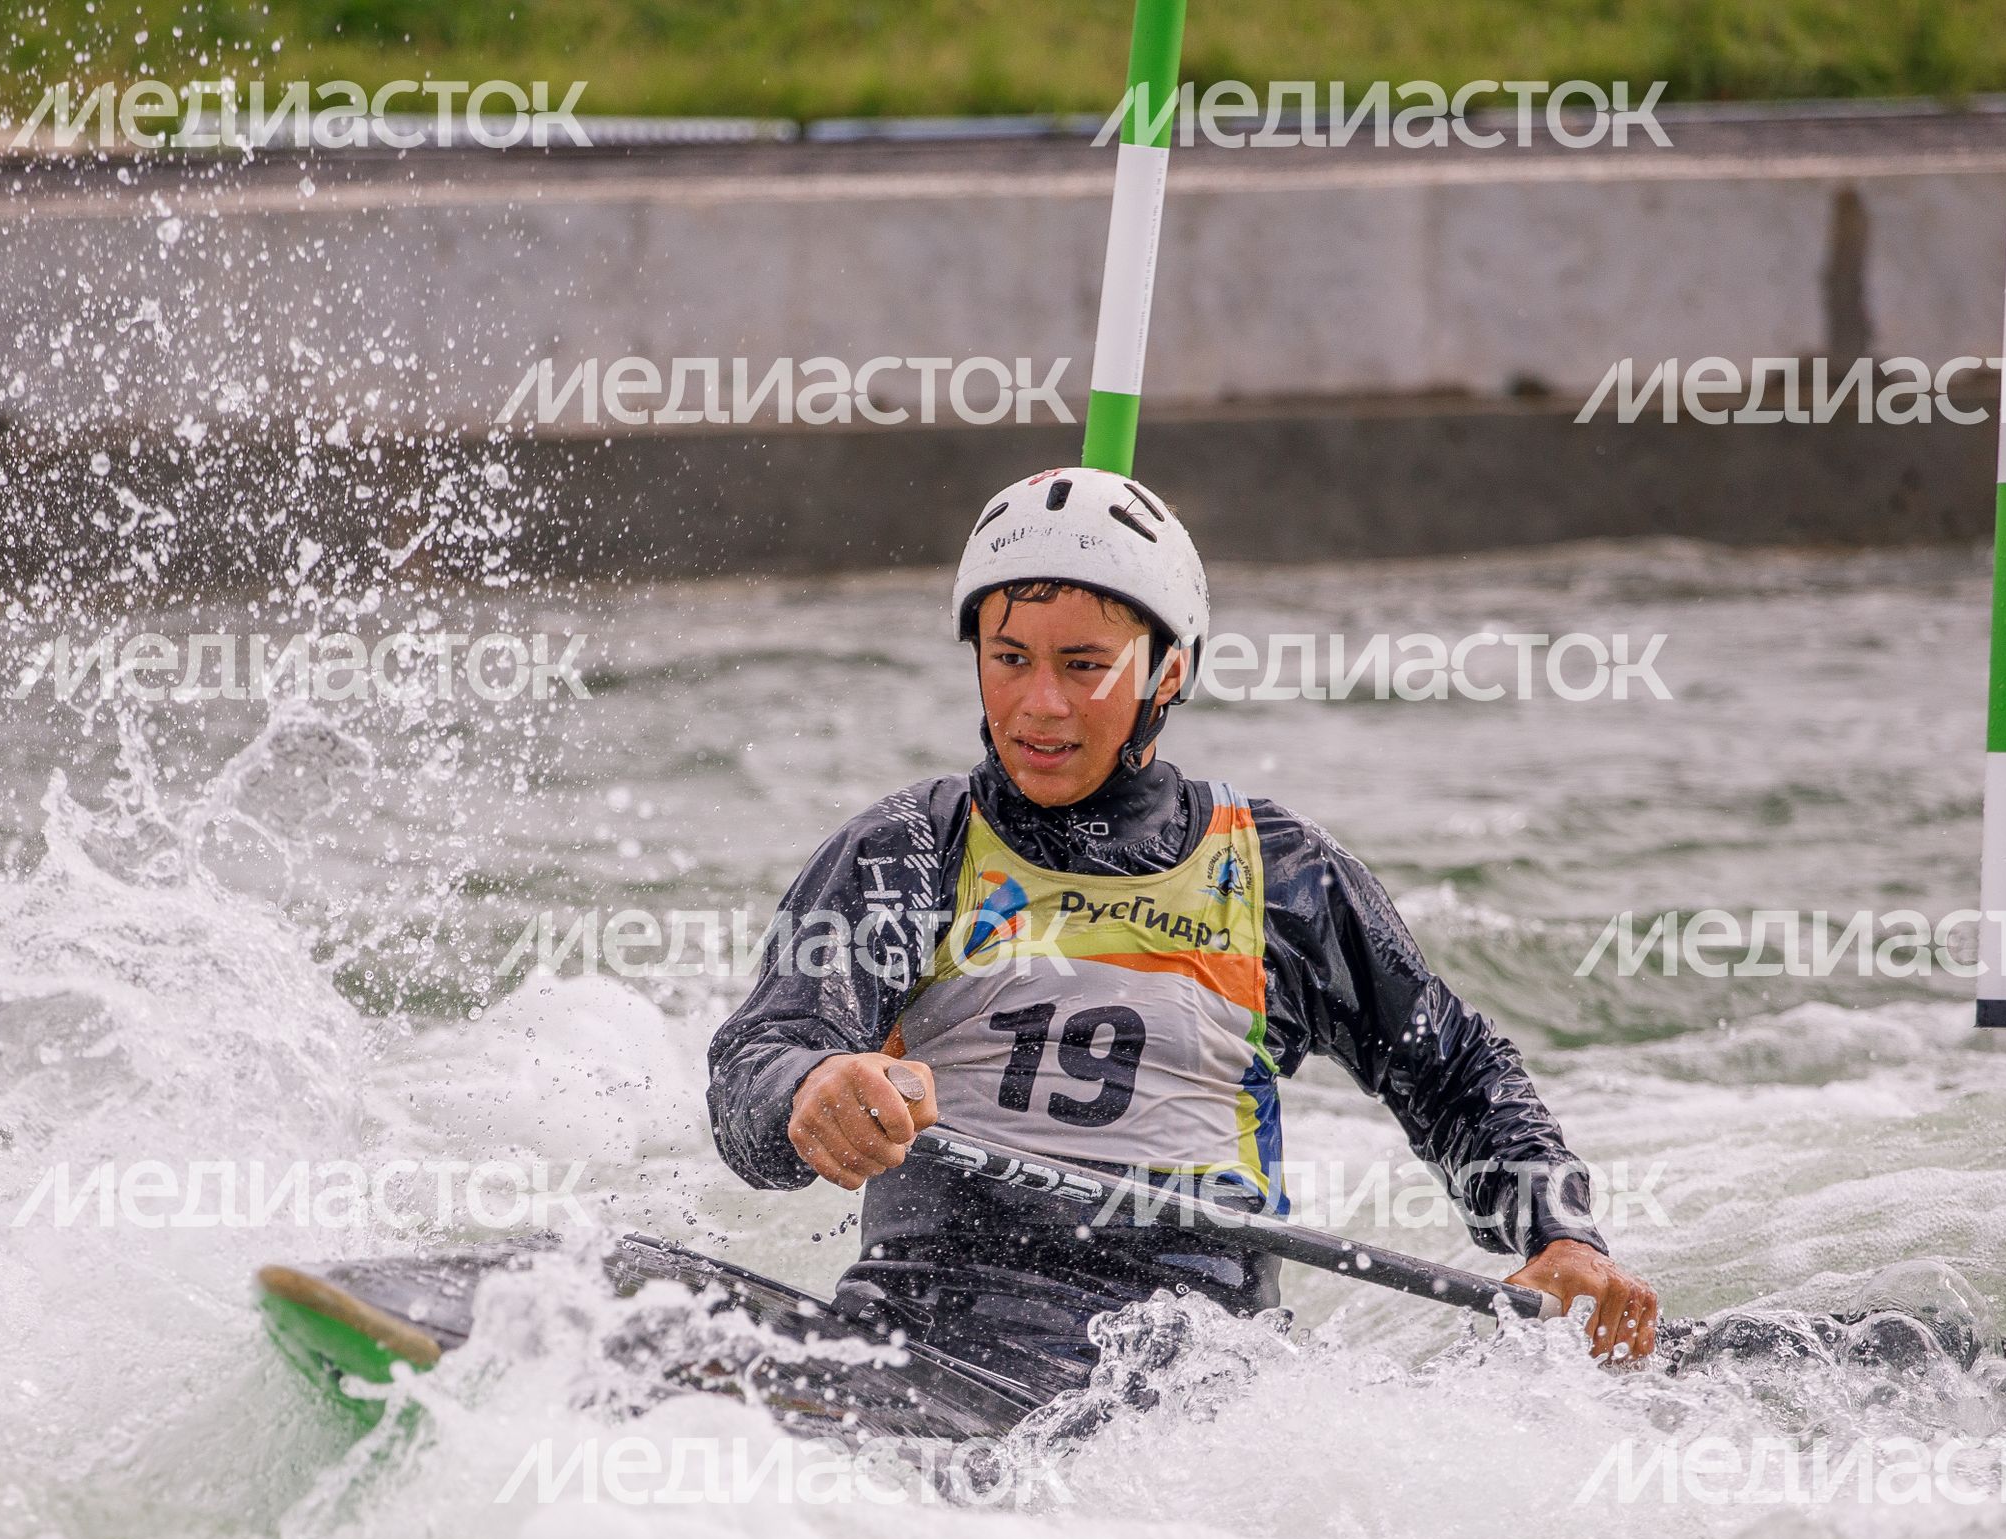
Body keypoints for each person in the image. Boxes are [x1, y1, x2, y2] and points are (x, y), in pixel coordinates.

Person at [705, 465, 1656, 1405]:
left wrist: (1561, 1238)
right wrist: (814, 1087)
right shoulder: (908, 848)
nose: (1040, 704)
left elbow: (1457, 1073)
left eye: (1085, 665)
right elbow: (759, 1067)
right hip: (919, 1341)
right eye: (1010, 658)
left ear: (1170, 670)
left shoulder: (1282, 877)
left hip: (1187, 1380)